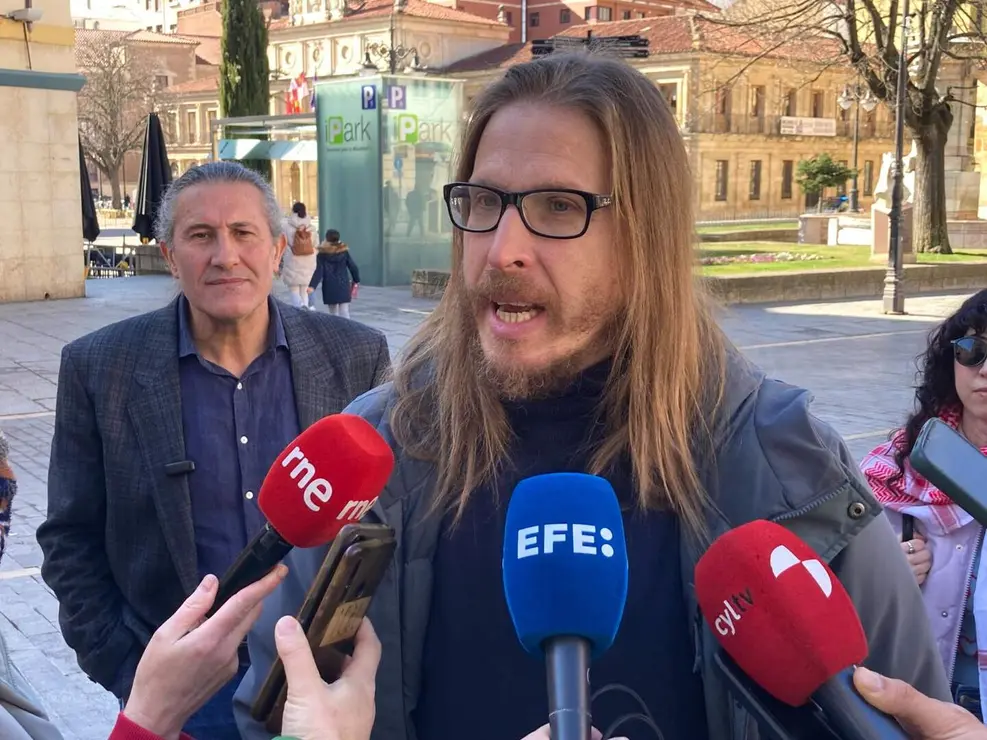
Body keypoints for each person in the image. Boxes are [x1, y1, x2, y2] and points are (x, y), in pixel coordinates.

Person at [234, 52, 948, 740]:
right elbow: (272, 714)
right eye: (482, 202)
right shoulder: (373, 459)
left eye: (555, 205)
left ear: (646, 233)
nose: (501, 248)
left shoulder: (788, 470)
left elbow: (902, 709)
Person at [36, 161, 391, 740]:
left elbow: (387, 522)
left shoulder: (357, 355)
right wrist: (135, 678)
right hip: (183, 691)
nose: (225, 255)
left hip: (320, 683)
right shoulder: (99, 367)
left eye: (244, 233)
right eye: (201, 236)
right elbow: (68, 538)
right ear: (171, 256)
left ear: (277, 250)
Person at [861, 289, 987, 721]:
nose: (984, 370)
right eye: (972, 350)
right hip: (914, 699)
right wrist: (886, 569)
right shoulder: (900, 461)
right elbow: (840, 584)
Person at [308, 229, 360, 319]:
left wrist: (312, 286)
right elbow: (353, 266)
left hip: (329, 285)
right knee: (344, 311)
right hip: (343, 283)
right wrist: (356, 280)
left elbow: (319, 271)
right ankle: (347, 330)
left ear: (326, 239)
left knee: (333, 313)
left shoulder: (322, 255)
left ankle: (335, 330)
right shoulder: (344, 252)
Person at [281, 203, 317, 309]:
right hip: (309, 262)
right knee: (304, 289)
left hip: (292, 260)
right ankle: (305, 307)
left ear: (293, 211)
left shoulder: (286, 226)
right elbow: (316, 244)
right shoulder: (311, 227)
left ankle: (298, 307)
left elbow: (283, 242)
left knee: (294, 289)